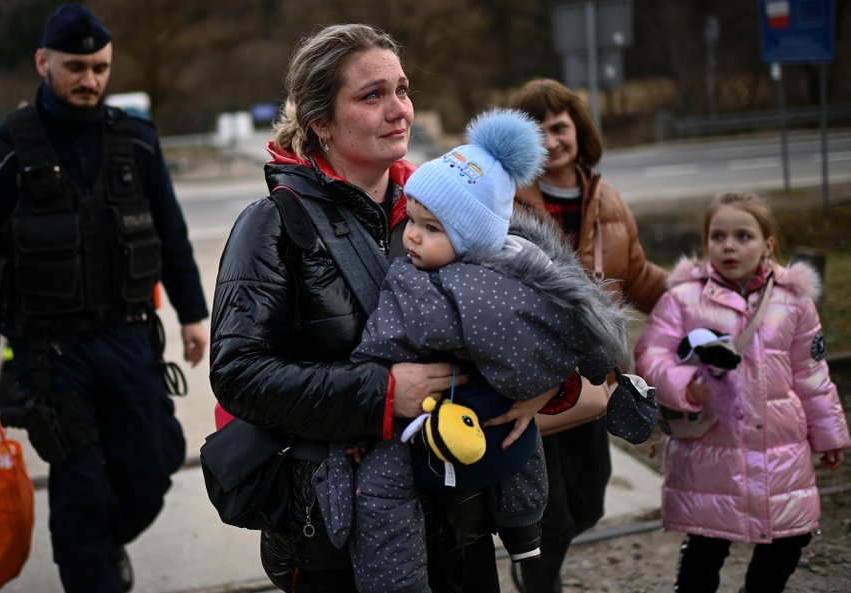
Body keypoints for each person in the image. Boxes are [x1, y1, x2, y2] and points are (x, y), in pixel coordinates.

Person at [210, 23, 535, 593]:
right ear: (321, 123)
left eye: (402, 90)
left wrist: (538, 385)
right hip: (338, 533)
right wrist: (383, 395)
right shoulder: (271, 226)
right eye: (372, 95)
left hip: (461, 514)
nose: (399, 110)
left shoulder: (448, 209)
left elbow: (534, 310)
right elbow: (238, 374)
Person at [336, 108, 646, 593]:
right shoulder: (529, 264)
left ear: (472, 236)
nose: (412, 236)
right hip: (501, 418)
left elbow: (381, 344)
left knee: (380, 485)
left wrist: (361, 406)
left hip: (435, 421)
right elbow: (575, 326)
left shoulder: (420, 287)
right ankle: (524, 531)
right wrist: (573, 374)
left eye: (431, 228)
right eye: (412, 221)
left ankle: (395, 581)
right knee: (521, 444)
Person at [0, 5, 209, 592]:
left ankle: (99, 546)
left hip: (127, 338)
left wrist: (193, 315)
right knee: (80, 484)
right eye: (76, 66)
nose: (90, 80)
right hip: (50, 353)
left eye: (100, 67)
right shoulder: (0, 153)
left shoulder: (137, 142)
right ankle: (95, 574)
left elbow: (170, 233)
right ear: (43, 63)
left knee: (154, 459)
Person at [635, 191, 851, 593]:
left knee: (789, 540)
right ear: (706, 243)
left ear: (768, 243)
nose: (729, 245)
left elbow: (811, 373)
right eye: (718, 236)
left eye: (743, 236)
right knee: (705, 545)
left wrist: (830, 434)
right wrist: (687, 386)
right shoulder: (683, 298)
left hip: (780, 450)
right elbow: (650, 357)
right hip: (709, 451)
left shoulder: (794, 302)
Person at [508, 78, 668, 593]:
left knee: (589, 503)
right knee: (547, 517)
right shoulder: (508, 200)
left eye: (560, 126)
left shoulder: (609, 200)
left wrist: (702, 298)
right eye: (538, 131)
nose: (551, 140)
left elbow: (639, 277)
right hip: (536, 382)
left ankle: (534, 564)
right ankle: (538, 578)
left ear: (578, 129)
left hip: (595, 382)